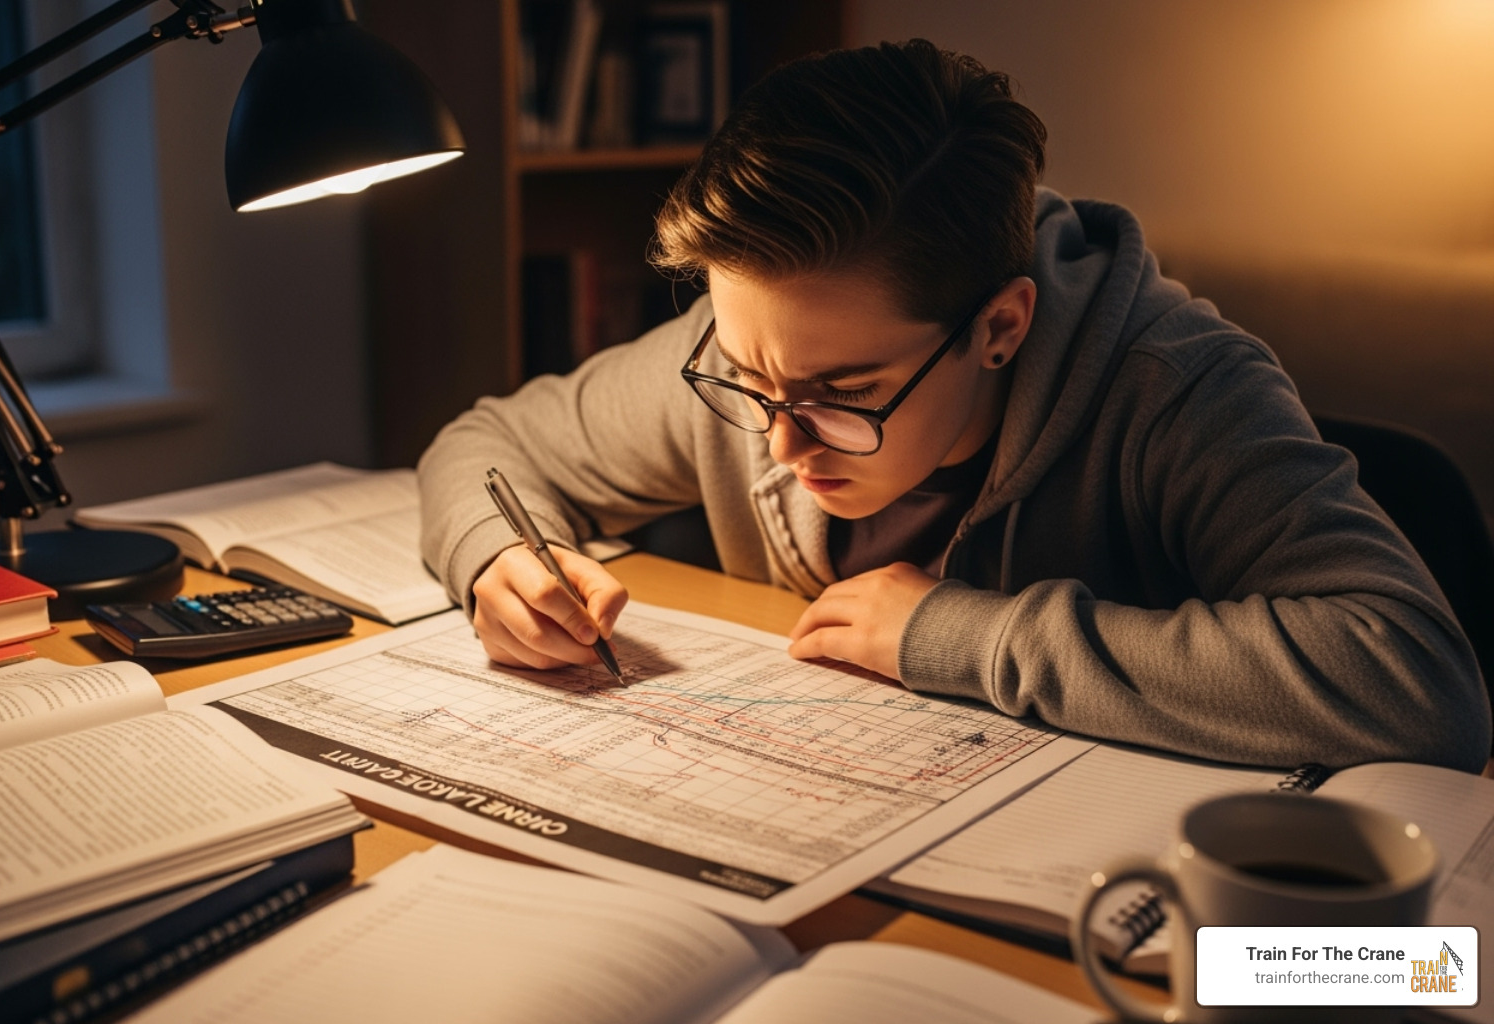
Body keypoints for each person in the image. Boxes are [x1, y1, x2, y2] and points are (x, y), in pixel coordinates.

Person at [418, 39, 1490, 773]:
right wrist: (497, 564)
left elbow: (1419, 682)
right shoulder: (766, 346)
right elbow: (493, 442)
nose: (782, 446)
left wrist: (955, 635)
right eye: (748, 379)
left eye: (846, 396)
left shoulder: (1175, 388)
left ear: (1001, 328)